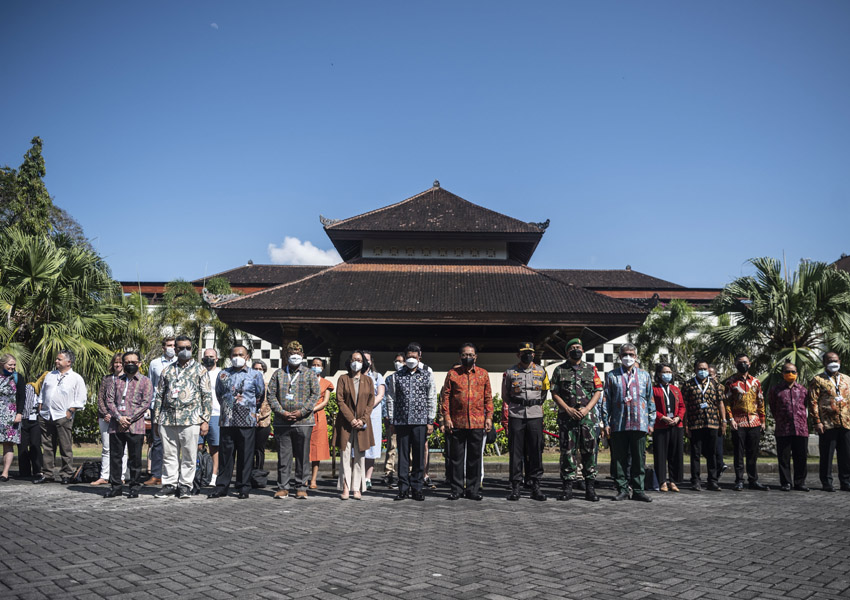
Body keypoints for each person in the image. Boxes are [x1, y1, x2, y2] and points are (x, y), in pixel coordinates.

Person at [151, 336, 212, 499]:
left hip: (191, 419)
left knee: (189, 454)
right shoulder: (167, 370)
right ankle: (169, 484)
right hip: (167, 419)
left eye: (188, 347)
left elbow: (206, 396)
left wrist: (205, 419)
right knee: (169, 454)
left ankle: (185, 485)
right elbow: (159, 396)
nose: (185, 350)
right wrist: (156, 420)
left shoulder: (201, 370)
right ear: (175, 350)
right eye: (181, 348)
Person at [208, 345, 266, 500]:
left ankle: (243, 487)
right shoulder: (223, 374)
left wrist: (252, 409)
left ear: (247, 356)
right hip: (227, 420)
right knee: (226, 456)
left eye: (240, 354)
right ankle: (222, 486)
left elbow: (259, 396)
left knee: (246, 455)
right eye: (234, 354)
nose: (237, 357)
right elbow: (220, 395)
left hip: (247, 420)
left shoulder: (255, 375)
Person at [550, 339, 602, 502]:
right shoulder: (559, 370)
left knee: (589, 452)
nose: (576, 350)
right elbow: (555, 393)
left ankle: (590, 488)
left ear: (583, 351)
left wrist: (587, 409)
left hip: (588, 419)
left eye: (578, 347)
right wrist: (568, 409)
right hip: (567, 418)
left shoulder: (591, 369)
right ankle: (567, 488)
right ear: (567, 352)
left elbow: (598, 391)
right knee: (567, 453)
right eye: (572, 348)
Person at [440, 343, 493, 501]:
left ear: (476, 357)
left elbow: (488, 397)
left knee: (475, 458)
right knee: (456, 458)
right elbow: (446, 397)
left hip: (477, 422)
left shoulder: (483, 374)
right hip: (457, 422)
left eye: (470, 355)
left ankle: (473, 489)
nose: (467, 357)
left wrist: (489, 417)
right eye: (464, 355)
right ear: (460, 357)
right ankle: (456, 489)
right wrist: (447, 418)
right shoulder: (453, 374)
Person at [385, 342, 437, 501]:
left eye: (414, 357)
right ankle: (403, 488)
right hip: (401, 421)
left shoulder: (427, 375)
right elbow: (390, 398)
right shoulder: (396, 377)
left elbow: (432, 398)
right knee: (403, 457)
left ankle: (417, 488)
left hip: (421, 422)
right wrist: (392, 419)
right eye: (408, 357)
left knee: (419, 456)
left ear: (419, 357)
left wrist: (430, 420)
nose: (411, 360)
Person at [268, 341, 320, 499]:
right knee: (284, 456)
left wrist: (302, 412)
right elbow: (270, 395)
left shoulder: (310, 374)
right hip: (282, 422)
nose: (295, 356)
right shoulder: (278, 374)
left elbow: (315, 395)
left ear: (303, 355)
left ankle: (301, 487)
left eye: (298, 353)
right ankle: (283, 487)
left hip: (304, 422)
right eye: (291, 354)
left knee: (303, 456)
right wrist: (282, 412)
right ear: (286, 355)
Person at [603, 343, 655, 502]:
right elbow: (606, 401)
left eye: (631, 354)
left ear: (636, 356)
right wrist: (606, 422)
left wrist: (651, 421)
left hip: (640, 423)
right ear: (619, 357)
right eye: (625, 354)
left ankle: (639, 490)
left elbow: (650, 399)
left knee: (639, 459)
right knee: (619, 459)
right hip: (619, 423)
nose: (628, 357)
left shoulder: (645, 375)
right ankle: (622, 489)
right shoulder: (612, 376)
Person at [501, 342, 550, 501]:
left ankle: (536, 486)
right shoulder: (510, 372)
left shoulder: (542, 371)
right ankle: (515, 486)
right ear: (518, 355)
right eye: (524, 353)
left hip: (535, 415)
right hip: (516, 415)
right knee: (516, 452)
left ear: (534, 355)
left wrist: (534, 404)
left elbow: (544, 392)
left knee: (535, 450)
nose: (527, 355)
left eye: (530, 353)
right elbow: (505, 394)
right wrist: (518, 404)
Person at [102, 351, 153, 498]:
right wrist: (119, 418)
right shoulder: (115, 381)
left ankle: (134, 487)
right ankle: (116, 487)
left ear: (139, 364)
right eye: (127, 362)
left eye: (133, 362)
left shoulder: (145, 381)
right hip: (116, 425)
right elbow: (109, 401)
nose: (130, 364)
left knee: (135, 458)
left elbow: (145, 403)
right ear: (123, 364)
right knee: (115, 457)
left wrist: (128, 418)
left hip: (135, 425)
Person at [35, 350, 87, 484]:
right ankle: (47, 473)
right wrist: (40, 405)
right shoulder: (50, 375)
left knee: (65, 446)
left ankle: (66, 474)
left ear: (68, 362)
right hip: (46, 414)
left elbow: (81, 398)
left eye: (59, 359)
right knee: (47, 446)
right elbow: (43, 391)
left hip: (63, 415)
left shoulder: (76, 378)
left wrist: (70, 411)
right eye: (56, 359)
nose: (56, 361)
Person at [334, 351, 376, 499]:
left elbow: (371, 402)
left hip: (362, 424)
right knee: (345, 455)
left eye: (359, 360)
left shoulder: (368, 380)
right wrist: (351, 419)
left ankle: (357, 488)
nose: (356, 362)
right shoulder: (343, 379)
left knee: (360, 456)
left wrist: (363, 419)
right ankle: (345, 487)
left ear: (363, 363)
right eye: (353, 359)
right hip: (346, 423)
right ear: (349, 361)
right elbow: (340, 400)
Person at [724, 354, 769, 491]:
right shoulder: (731, 382)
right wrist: (730, 419)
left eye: (745, 362)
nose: (742, 364)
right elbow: (727, 403)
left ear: (749, 364)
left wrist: (762, 419)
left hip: (754, 421)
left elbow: (760, 401)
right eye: (739, 362)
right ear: (735, 365)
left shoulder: (756, 382)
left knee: (753, 453)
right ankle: (739, 480)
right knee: (738, 453)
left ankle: (753, 480)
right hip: (738, 421)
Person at [807, 351, 850, 492]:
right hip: (827, 424)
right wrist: (817, 422)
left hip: (846, 422)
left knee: (846, 455)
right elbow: (813, 402)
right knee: (827, 455)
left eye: (836, 360)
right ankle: (827, 482)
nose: (834, 363)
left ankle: (846, 482)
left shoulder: (847, 379)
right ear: (824, 363)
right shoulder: (818, 380)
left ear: (840, 362)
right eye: (830, 360)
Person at [681, 360, 726, 491]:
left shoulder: (715, 384)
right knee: (695, 454)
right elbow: (685, 406)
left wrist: (724, 421)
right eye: (700, 368)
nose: (703, 371)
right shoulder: (688, 385)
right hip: (695, 424)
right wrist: (686, 425)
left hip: (712, 423)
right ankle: (695, 481)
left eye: (705, 369)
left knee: (712, 453)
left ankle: (713, 481)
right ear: (695, 370)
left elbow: (720, 403)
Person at [768, 360, 810, 492]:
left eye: (793, 371)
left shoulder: (803, 390)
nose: (790, 374)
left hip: (801, 429)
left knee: (801, 457)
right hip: (783, 429)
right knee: (784, 458)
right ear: (782, 374)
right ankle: (786, 483)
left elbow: (806, 406)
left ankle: (800, 482)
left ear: (797, 373)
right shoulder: (775, 390)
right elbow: (773, 407)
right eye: (787, 371)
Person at [143, 336, 176, 486]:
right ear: (163, 347)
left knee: (174, 441)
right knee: (157, 441)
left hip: (175, 406)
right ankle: (156, 474)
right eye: (169, 345)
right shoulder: (154, 363)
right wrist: (149, 407)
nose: (171, 348)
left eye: (174, 346)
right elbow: (150, 385)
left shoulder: (180, 363)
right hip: (157, 405)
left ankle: (171, 475)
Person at [91, 353, 128, 487]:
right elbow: (101, 397)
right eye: (115, 362)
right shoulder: (107, 379)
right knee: (106, 448)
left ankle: (121, 476)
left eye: (120, 362)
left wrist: (117, 416)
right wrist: (105, 413)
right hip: (106, 418)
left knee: (122, 449)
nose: (117, 365)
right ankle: (104, 475)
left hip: (121, 418)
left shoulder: (128, 379)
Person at [651, 364, 685, 492]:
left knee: (675, 454)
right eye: (665, 372)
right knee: (660, 454)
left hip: (676, 425)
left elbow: (682, 406)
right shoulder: (654, 390)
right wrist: (662, 417)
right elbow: (651, 407)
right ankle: (662, 481)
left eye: (670, 372)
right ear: (659, 374)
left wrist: (678, 418)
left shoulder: (675, 389)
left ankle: (673, 481)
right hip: (661, 426)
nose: (668, 374)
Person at [308, 357, 333, 489]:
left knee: (316, 449)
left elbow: (325, 401)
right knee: (304, 449)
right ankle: (303, 477)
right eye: (314, 364)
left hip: (318, 416)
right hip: (305, 416)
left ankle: (313, 479)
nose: (316, 367)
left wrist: (313, 409)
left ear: (322, 368)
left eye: (318, 365)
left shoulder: (326, 383)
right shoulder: (304, 381)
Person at [0, 354, 26, 482]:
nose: (12, 367)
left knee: (8, 444)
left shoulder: (17, 377)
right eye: (10, 364)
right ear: (2, 364)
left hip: (10, 415)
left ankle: (5, 473)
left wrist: (19, 413)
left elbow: (22, 397)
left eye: (14, 365)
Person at [381, 353, 404, 489]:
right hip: (392, 418)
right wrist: (387, 416)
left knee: (408, 449)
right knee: (391, 446)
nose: (398, 363)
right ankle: (389, 472)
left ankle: (408, 471)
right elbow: (385, 398)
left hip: (406, 418)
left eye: (401, 361)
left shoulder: (408, 378)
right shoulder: (390, 378)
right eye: (396, 361)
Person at [362, 351, 385, 489]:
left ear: (372, 362)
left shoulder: (377, 376)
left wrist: (367, 407)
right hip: (358, 417)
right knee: (356, 448)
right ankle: (357, 476)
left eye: (367, 359)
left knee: (371, 448)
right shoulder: (354, 376)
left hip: (373, 416)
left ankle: (367, 478)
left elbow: (380, 395)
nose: (365, 362)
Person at [198, 348, 221, 481]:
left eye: (211, 356)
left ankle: (213, 475)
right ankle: (199, 473)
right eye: (206, 356)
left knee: (214, 446)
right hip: (198, 415)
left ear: (216, 359)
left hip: (215, 414)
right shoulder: (198, 372)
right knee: (197, 446)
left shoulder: (221, 373)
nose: (209, 358)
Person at [708, 366, 730, 479]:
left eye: (711, 374)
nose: (708, 376)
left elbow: (724, 405)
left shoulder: (720, 387)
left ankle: (719, 465)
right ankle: (719, 466)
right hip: (705, 421)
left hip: (717, 420)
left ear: (716, 375)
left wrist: (724, 421)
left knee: (718, 446)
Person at [18, 380, 43, 479]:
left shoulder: (46, 390)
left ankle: (38, 470)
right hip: (24, 418)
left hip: (37, 420)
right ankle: (24, 471)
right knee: (22, 446)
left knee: (35, 445)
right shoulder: (29, 388)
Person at [252, 359, 272, 471]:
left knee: (260, 449)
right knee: (249, 449)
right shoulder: (248, 383)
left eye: (260, 369)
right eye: (255, 369)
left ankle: (259, 472)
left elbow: (269, 404)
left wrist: (259, 416)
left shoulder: (268, 386)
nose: (258, 371)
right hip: (249, 421)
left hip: (263, 422)